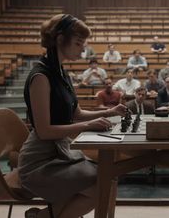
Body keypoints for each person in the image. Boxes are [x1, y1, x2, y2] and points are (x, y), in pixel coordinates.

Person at [18, 14, 126, 218]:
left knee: (107, 178)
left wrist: (109, 112)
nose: (83, 49)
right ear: (60, 39)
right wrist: (88, 126)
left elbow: (76, 113)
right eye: (78, 43)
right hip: (39, 161)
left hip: (62, 154)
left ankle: (41, 217)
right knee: (100, 186)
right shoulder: (41, 76)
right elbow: (44, 131)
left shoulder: (61, 73)